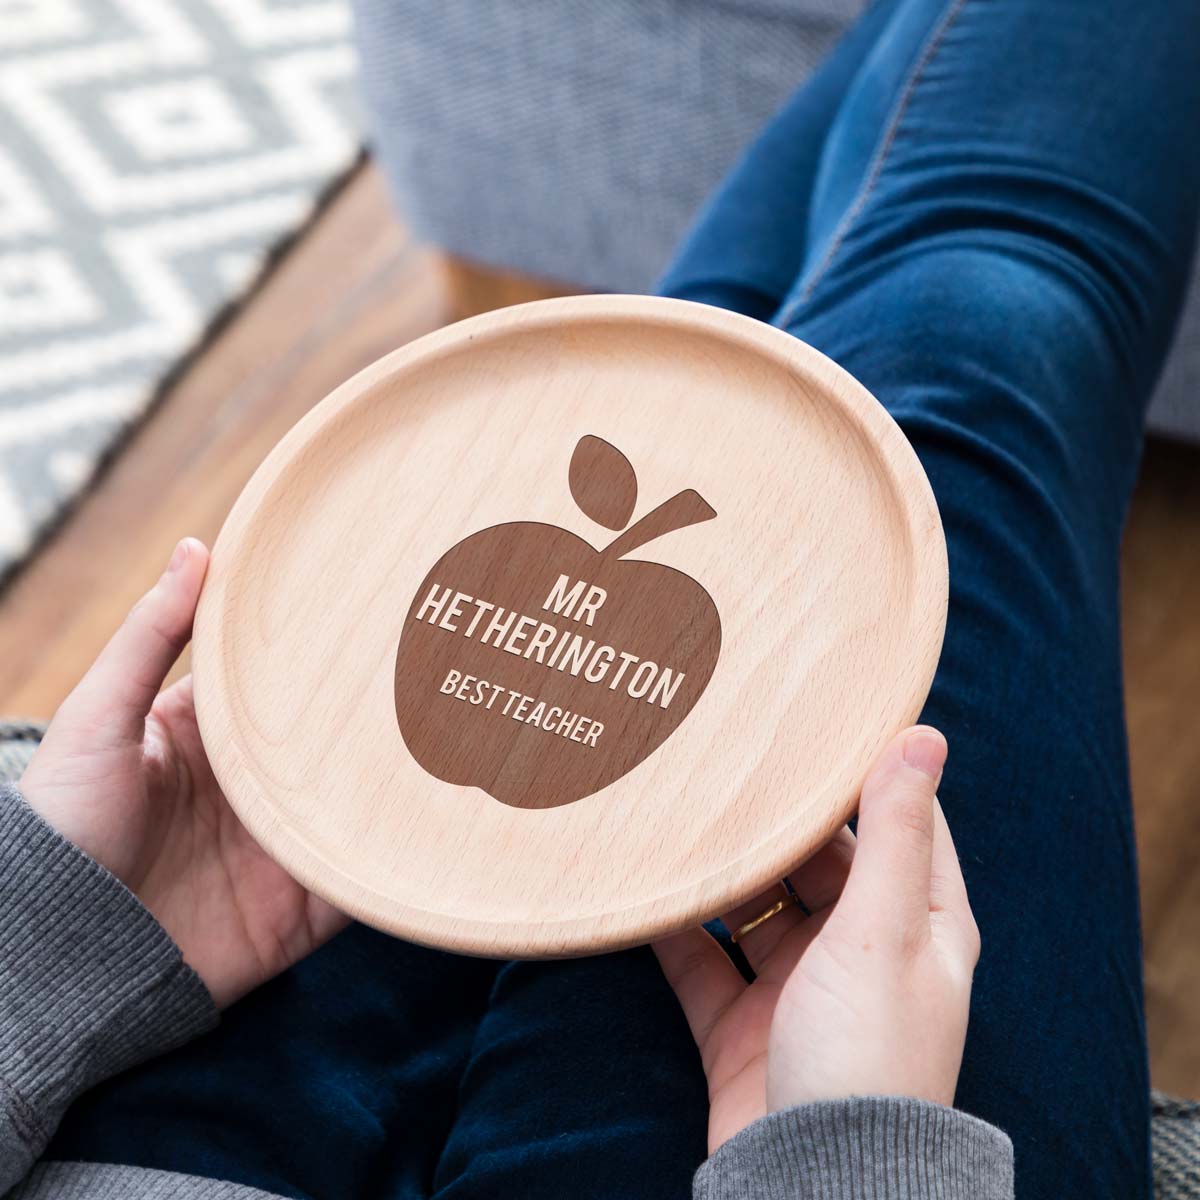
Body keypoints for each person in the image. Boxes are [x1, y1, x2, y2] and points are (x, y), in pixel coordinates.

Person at [2, 0, 1197, 1196]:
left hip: (155, 1080)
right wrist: (845, 1160)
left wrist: (39, 953)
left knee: (690, 371)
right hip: (760, 1135)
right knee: (970, 335)